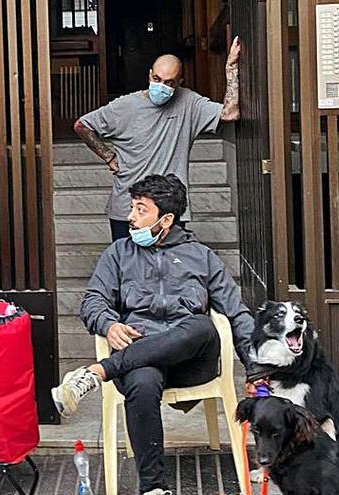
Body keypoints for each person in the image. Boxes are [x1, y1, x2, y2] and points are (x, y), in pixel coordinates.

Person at [51, 174, 256, 495]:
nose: (130, 216)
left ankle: (98, 373)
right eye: (131, 207)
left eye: (140, 209)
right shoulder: (119, 253)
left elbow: (235, 311)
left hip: (191, 362)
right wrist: (109, 324)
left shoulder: (201, 256)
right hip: (141, 359)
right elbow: (93, 300)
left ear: (167, 219)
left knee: (201, 325)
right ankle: (153, 489)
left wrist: (257, 368)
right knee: (142, 383)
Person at [74, 38, 242, 241]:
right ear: (149, 75)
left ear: (179, 83)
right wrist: (109, 157)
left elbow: (230, 114)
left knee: (170, 269)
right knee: (128, 268)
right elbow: (82, 125)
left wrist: (231, 66)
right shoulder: (125, 106)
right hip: (128, 208)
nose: (161, 86)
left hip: (169, 208)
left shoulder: (189, 102)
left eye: (169, 82)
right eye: (157, 79)